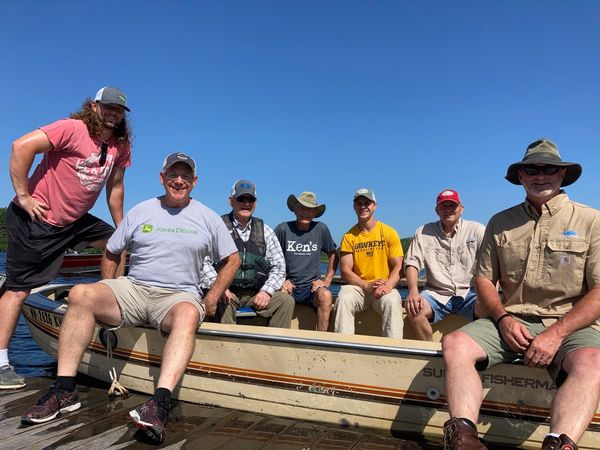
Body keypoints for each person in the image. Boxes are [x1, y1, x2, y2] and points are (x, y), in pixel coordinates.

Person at [20, 153, 240, 444]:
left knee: (188, 314)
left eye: (186, 176)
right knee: (81, 293)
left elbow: (232, 259)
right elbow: (112, 251)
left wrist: (211, 297)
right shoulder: (141, 211)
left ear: (194, 182)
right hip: (134, 288)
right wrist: (109, 288)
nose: (179, 181)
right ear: (162, 178)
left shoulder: (207, 217)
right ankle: (64, 389)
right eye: (173, 174)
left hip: (177, 295)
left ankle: (159, 403)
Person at [442, 139, 600, 450]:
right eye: (532, 168)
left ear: (562, 174)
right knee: (454, 342)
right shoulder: (500, 222)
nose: (540, 175)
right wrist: (502, 319)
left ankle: (559, 443)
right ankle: (463, 439)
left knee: (594, 362)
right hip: (509, 322)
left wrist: (556, 333)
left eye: (549, 168)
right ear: (521, 176)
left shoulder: (591, 221)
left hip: (569, 325)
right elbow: (484, 279)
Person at [0, 86, 132, 389]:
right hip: (36, 218)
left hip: (73, 222)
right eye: (108, 107)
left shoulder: (119, 145)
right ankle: (1, 362)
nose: (113, 114)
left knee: (118, 244)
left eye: (119, 110)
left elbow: (116, 188)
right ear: (95, 106)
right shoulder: (73, 129)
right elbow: (21, 146)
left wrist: (122, 226)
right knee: (19, 291)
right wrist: (24, 196)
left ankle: (106, 300)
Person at [203, 180, 295, 328]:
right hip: (226, 292)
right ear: (231, 201)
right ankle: (228, 348)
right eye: (241, 199)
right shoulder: (217, 228)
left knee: (286, 301)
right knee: (222, 300)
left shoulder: (266, 231)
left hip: (255, 293)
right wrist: (218, 286)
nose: (246, 203)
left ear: (255, 203)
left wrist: (267, 291)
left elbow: (279, 267)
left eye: (250, 199)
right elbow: (203, 262)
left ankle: (275, 348)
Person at [404, 189, 485, 341]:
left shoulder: (477, 230)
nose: (448, 210)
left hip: (470, 292)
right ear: (437, 210)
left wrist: (489, 292)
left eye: (452, 206)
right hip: (436, 293)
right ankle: (429, 351)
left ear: (461, 208)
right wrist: (413, 291)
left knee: (491, 309)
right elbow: (412, 262)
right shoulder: (423, 231)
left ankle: (477, 353)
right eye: (443, 206)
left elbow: (491, 263)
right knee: (414, 310)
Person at [333, 188, 404, 339]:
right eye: (359, 203)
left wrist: (388, 286)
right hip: (359, 288)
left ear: (375, 206)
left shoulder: (389, 232)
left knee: (392, 302)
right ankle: (343, 348)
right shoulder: (349, 236)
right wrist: (366, 285)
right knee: (344, 299)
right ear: (354, 207)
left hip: (383, 286)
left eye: (367, 203)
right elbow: (345, 270)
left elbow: (399, 266)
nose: (363, 206)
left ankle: (393, 351)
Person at [275, 192, 339, 331]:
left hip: (312, 288)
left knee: (326, 296)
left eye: (310, 209)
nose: (305, 212)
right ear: (295, 209)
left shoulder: (321, 229)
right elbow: (270, 256)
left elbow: (333, 254)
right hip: (289, 286)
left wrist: (326, 280)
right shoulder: (283, 229)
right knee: (278, 297)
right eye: (302, 208)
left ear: (315, 212)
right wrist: (281, 280)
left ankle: (321, 340)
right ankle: (279, 339)